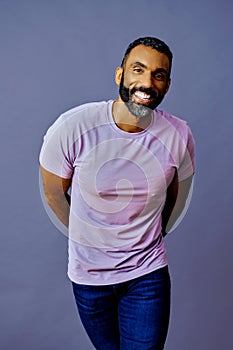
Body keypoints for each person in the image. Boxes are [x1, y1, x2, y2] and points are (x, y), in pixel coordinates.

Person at [39, 36, 195, 350]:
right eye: (138, 70)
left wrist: (150, 236)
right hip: (89, 278)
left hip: (146, 275)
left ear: (166, 85)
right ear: (120, 75)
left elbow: (176, 198)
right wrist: (89, 236)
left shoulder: (179, 134)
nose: (147, 82)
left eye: (159, 75)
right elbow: (54, 195)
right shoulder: (73, 126)